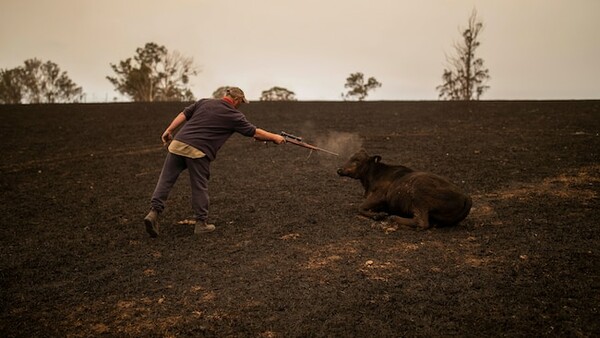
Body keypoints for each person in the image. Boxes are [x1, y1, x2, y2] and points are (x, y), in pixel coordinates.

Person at [144, 87, 285, 237]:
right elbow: (254, 132)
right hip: (198, 151)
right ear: (236, 100)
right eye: (241, 102)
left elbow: (184, 114)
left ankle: (153, 213)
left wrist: (169, 130)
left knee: (165, 180)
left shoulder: (204, 102)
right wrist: (275, 137)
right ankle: (201, 223)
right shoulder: (233, 115)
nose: (240, 105)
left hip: (178, 144)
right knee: (199, 186)